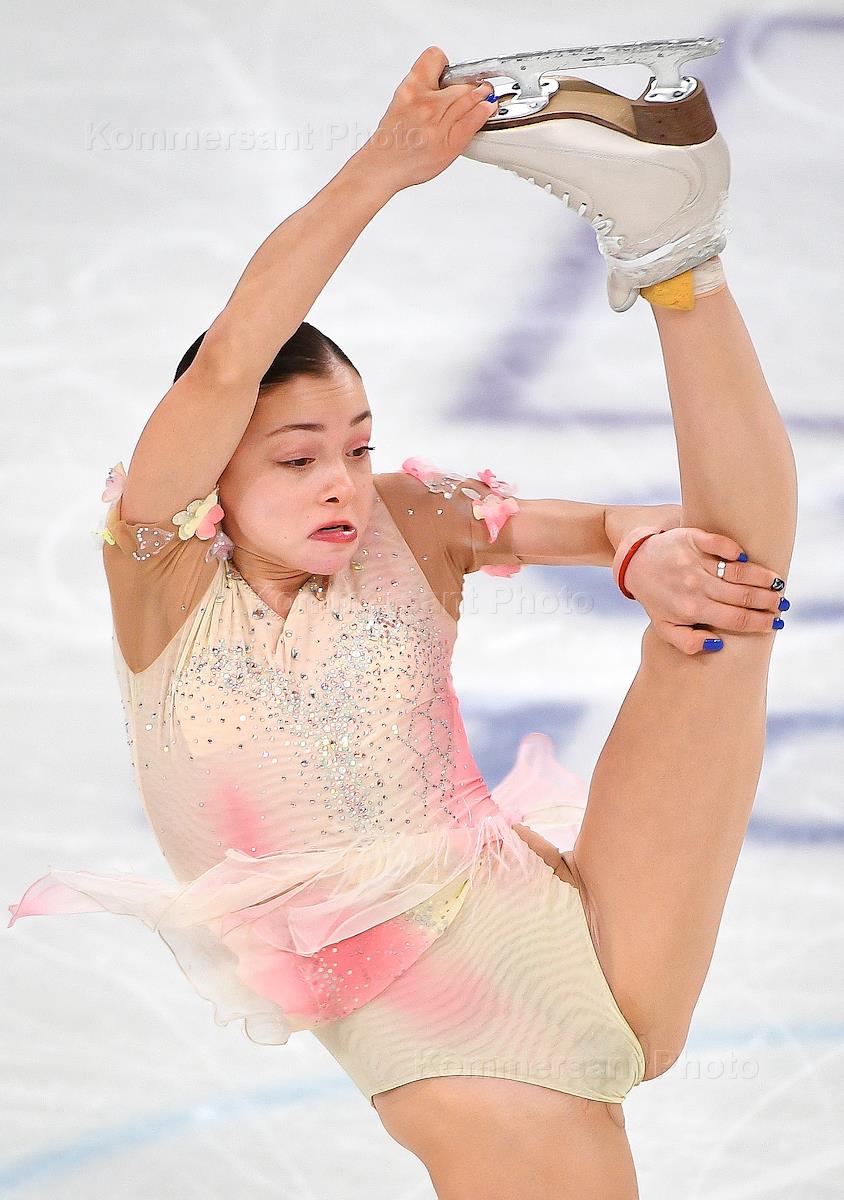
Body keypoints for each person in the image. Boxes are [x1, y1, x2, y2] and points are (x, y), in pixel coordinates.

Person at [8, 44, 796, 1199]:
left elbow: (607, 524)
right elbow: (228, 363)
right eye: (297, 458)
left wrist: (645, 556)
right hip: (445, 1024)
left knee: (730, 583)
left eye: (358, 445)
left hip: (575, 925)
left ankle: (675, 249)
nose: (341, 481)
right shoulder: (162, 579)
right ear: (211, 477)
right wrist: (381, 168)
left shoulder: (409, 521)